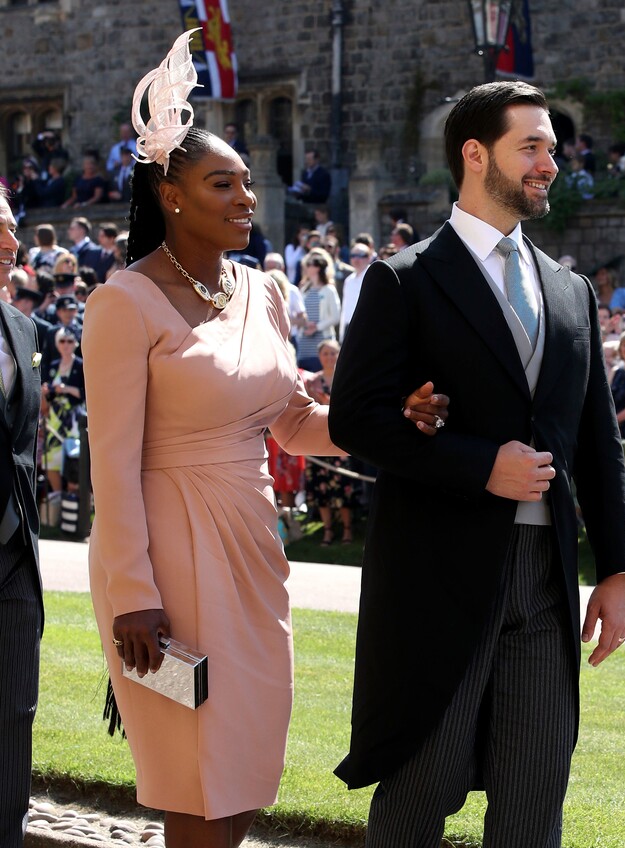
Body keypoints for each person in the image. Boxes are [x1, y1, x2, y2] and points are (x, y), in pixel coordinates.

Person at [80, 31, 449, 848]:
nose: (246, 198)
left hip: (253, 546)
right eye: (224, 184)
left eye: (249, 184)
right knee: (198, 782)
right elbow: (110, 466)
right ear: (172, 196)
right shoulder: (123, 304)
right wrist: (133, 592)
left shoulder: (265, 290)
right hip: (165, 565)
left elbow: (292, 423)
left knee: (247, 770)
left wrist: (389, 421)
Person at [328, 80, 625, 848]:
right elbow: (355, 419)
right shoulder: (402, 279)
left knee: (536, 793)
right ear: (476, 155)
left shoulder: (570, 291)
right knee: (420, 786)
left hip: (545, 576)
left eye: (553, 149)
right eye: (531, 146)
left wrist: (618, 570)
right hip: (439, 574)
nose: (549, 164)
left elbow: (596, 436)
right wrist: (478, 466)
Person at [0, 187, 43, 848]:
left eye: (11, 233)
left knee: (13, 713)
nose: (11, 247)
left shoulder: (26, 329)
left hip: (14, 557)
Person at [304, 340, 359, 545]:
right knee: (320, 489)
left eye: (333, 353)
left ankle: (347, 529)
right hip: (317, 439)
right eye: (325, 353)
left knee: (343, 488)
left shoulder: (346, 378)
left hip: (340, 440)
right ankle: (327, 530)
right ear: (319, 356)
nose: (329, 357)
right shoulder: (312, 381)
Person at [40, 327, 85, 496]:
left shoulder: (81, 365)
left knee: (73, 458)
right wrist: (45, 392)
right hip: (54, 418)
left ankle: (72, 498)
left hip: (73, 419)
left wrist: (66, 389)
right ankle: (57, 498)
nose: (66, 345)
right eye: (62, 341)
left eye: (70, 341)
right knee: (52, 459)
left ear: (76, 343)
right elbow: (46, 391)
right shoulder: (52, 366)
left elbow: (85, 393)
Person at [339, 241, 372, 342]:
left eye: (361, 255)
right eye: (353, 255)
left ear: (369, 257)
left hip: (367, 326)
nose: (356, 259)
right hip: (349, 327)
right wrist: (341, 334)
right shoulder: (348, 280)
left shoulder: (373, 276)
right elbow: (345, 308)